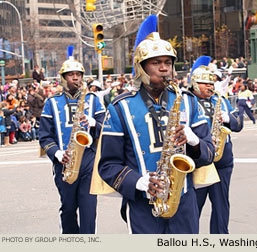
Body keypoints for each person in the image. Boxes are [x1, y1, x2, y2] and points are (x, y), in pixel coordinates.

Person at [97, 15, 214, 234]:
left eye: (167, 62)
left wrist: (194, 140)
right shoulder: (120, 107)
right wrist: (138, 182)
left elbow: (209, 154)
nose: (164, 68)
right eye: (156, 62)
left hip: (185, 203)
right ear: (141, 67)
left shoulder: (188, 101)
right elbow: (108, 165)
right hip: (144, 207)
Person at [38, 46, 106, 234]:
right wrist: (57, 153)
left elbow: (107, 128)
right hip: (65, 161)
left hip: (88, 161)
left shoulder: (93, 99)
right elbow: (44, 136)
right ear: (63, 78)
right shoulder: (52, 102)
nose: (75, 78)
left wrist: (93, 122)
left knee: (88, 210)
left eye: (78, 74)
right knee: (68, 209)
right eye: (71, 75)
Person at [188, 56, 243, 234]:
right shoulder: (187, 101)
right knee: (194, 207)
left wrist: (228, 120)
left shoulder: (221, 100)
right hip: (199, 161)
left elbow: (239, 123)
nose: (211, 87)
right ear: (195, 83)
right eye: (206, 83)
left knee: (221, 206)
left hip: (222, 161)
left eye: (212, 84)